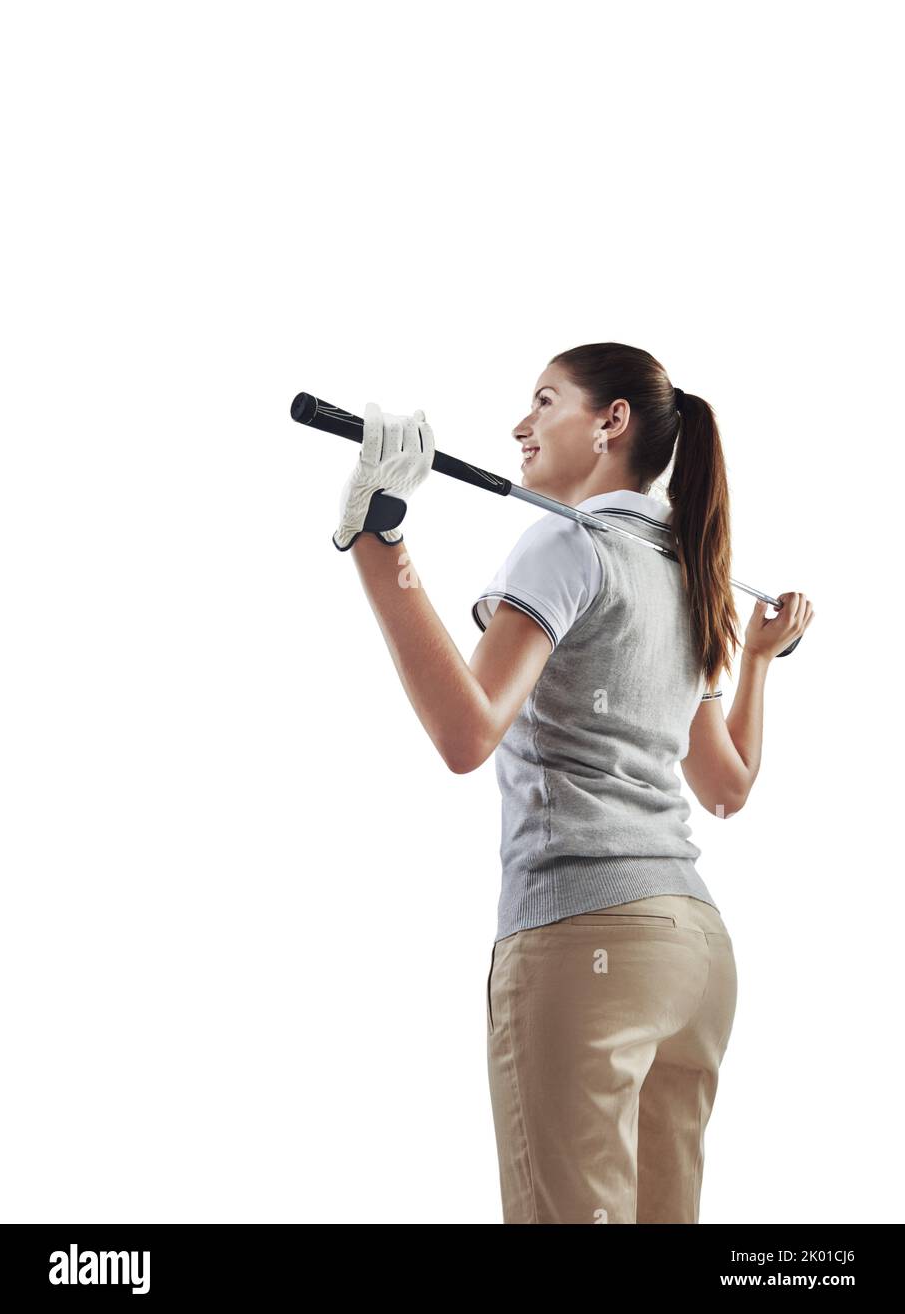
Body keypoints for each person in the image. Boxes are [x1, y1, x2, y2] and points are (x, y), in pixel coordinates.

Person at [334, 341, 814, 1224]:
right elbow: (726, 788)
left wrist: (377, 538)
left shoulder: (566, 544)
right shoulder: (689, 577)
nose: (521, 426)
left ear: (611, 423)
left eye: (545, 402)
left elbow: (467, 729)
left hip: (585, 942)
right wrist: (755, 663)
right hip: (694, 956)